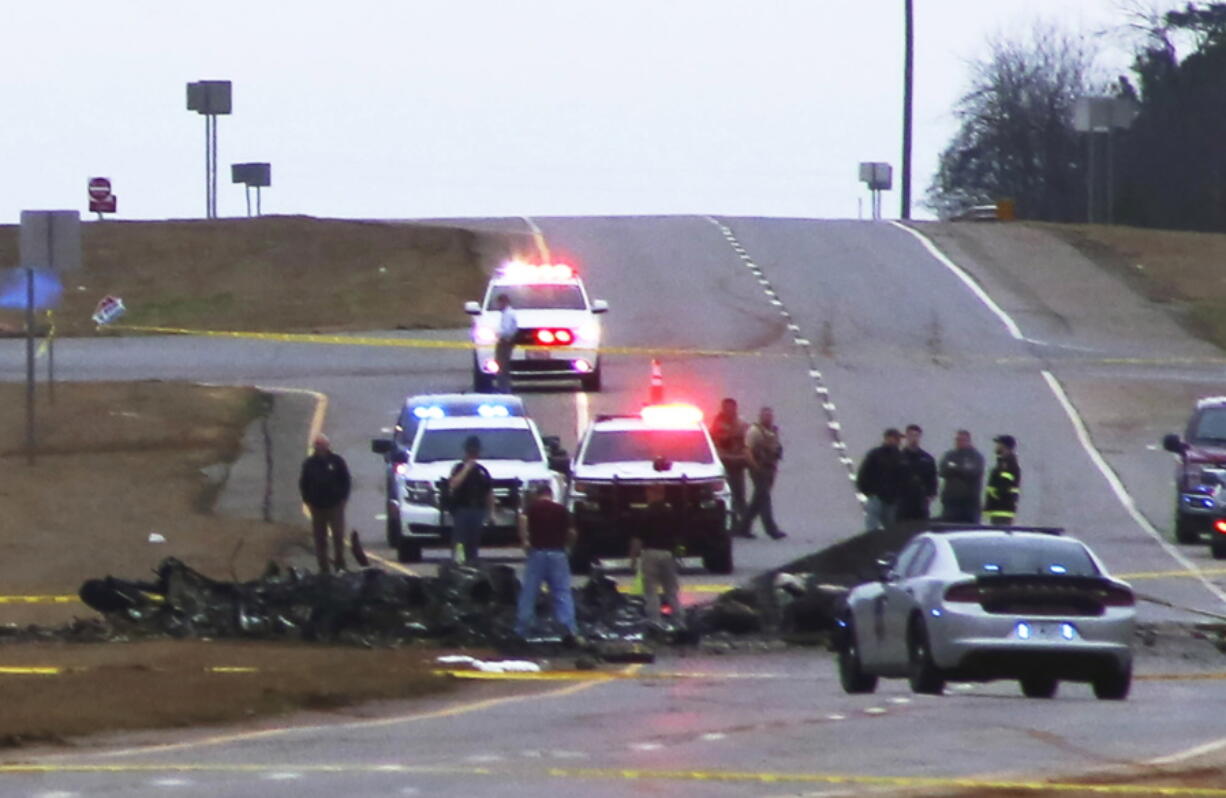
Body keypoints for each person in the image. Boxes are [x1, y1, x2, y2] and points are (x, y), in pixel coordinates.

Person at [515, 484, 578, 639]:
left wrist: (525, 541)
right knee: (562, 592)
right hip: (558, 553)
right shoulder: (561, 510)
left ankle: (522, 629)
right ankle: (568, 629)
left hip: (537, 553)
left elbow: (522, 520)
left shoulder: (532, 509)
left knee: (530, 592)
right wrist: (568, 546)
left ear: (538, 495)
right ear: (551, 494)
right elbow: (572, 532)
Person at [629, 483, 685, 628]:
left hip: (650, 553)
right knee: (671, 590)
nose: (647, 495)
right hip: (668, 554)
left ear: (653, 493)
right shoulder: (671, 512)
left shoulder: (646, 513)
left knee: (651, 590)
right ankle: (679, 621)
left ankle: (655, 622)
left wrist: (633, 559)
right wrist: (678, 555)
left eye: (649, 492)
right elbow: (678, 536)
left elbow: (637, 539)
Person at [298, 433, 351, 574]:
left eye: (321, 444)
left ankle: (340, 564)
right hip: (317, 507)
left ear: (327, 445)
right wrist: (307, 500)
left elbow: (346, 481)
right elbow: (304, 483)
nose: (319, 447)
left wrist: (343, 499)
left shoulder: (337, 461)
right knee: (320, 539)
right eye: (317, 445)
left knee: (338, 536)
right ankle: (323, 568)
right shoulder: (309, 464)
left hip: (335, 505)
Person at [739, 406, 787, 540]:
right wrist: (754, 466)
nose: (768, 418)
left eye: (770, 415)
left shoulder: (773, 431)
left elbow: (775, 448)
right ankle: (771, 529)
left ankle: (743, 527)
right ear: (760, 417)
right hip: (758, 468)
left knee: (758, 500)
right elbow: (747, 451)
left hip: (770, 468)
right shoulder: (754, 431)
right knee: (764, 498)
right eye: (765, 415)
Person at [448, 435, 495, 563]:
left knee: (473, 542)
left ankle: (472, 563)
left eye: (476, 452)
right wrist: (467, 468)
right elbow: (453, 484)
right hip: (462, 510)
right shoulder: (458, 468)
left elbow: (489, 493)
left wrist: (491, 514)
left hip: (478, 511)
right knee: (459, 542)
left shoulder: (482, 471)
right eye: (471, 452)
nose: (474, 454)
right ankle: (458, 563)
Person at [709, 397, 749, 531]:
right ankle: (733, 524)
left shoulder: (741, 423)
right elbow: (716, 442)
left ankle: (745, 525)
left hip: (738, 462)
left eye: (731, 408)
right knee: (729, 495)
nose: (728, 410)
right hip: (725, 463)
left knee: (740, 495)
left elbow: (748, 441)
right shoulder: (718, 424)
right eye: (725, 408)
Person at [856, 428, 905, 530]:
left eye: (898, 439)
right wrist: (869, 492)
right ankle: (872, 544)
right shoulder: (875, 454)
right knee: (872, 527)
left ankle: (889, 545)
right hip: (876, 497)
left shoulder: (901, 457)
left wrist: (899, 494)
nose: (898, 441)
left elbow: (904, 478)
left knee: (892, 530)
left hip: (892, 499)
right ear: (887, 438)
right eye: (895, 438)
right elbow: (863, 474)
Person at [938, 429, 985, 523]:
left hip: (969, 504)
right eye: (958, 440)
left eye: (962, 440)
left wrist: (954, 468)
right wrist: (961, 469)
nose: (959, 442)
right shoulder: (949, 455)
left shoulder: (976, 457)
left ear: (968, 441)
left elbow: (973, 473)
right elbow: (943, 471)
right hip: (951, 503)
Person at [897, 423, 938, 521]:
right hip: (902, 502)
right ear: (906, 437)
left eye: (916, 436)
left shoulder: (927, 459)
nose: (914, 439)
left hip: (920, 503)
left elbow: (933, 479)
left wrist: (931, 495)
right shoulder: (898, 457)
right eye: (911, 435)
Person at [984, 434, 1021, 526]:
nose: (996, 446)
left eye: (998, 444)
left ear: (1005, 446)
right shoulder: (1004, 462)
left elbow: (1004, 487)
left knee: (999, 536)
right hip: (1000, 509)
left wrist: (994, 496)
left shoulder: (1007, 464)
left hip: (1002, 509)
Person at [493, 293, 518, 394]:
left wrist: (497, 333)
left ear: (504, 302)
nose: (498, 306)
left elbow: (507, 330)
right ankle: (504, 388)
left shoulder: (508, 314)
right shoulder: (509, 313)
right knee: (503, 367)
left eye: (499, 303)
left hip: (505, 342)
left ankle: (503, 390)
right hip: (507, 342)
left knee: (502, 367)